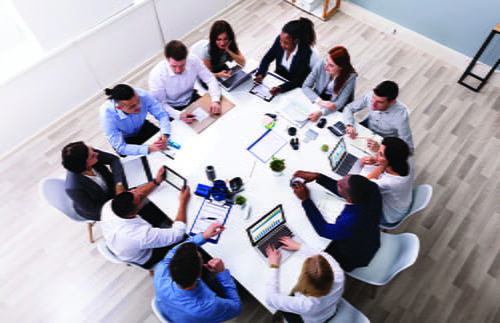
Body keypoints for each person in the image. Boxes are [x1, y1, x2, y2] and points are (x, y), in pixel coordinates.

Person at [100, 167, 189, 269]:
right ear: (134, 213)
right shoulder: (139, 236)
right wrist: (183, 201)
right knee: (187, 236)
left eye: (134, 192)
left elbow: (137, 193)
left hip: (124, 243)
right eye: (141, 198)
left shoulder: (108, 206)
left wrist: (156, 181)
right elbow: (178, 234)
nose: (141, 193)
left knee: (156, 208)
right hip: (147, 255)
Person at [292, 172, 382, 272]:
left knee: (311, 251)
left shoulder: (351, 223)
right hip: (372, 237)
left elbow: (323, 230)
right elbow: (347, 192)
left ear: (349, 200)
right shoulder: (372, 188)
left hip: (355, 256)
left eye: (339, 185)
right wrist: (319, 177)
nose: (337, 182)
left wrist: (306, 200)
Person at [153, 223, 242, 323]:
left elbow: (175, 251)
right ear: (199, 274)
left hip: (174, 310)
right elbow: (237, 307)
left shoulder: (161, 272)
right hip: (198, 313)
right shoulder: (208, 306)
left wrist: (204, 235)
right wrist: (222, 273)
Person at [265, 237, 345, 323]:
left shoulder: (305, 304)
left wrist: (273, 265)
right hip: (330, 311)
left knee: (284, 310)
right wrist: (299, 246)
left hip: (311, 320)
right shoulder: (339, 274)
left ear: (304, 278)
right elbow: (323, 255)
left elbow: (270, 299)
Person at [149, 40, 222, 124]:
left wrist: (215, 100)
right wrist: (179, 115)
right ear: (166, 59)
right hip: (172, 108)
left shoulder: (193, 59)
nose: (178, 70)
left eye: (182, 65)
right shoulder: (156, 75)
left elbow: (209, 79)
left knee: (215, 120)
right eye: (174, 66)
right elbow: (160, 103)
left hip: (191, 97)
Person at [100, 84, 171, 156]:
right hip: (125, 139)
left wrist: (164, 134)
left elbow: (162, 115)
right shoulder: (107, 117)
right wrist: (149, 148)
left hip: (142, 127)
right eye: (132, 106)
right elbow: (121, 148)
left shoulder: (142, 94)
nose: (138, 106)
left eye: (138, 101)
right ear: (120, 108)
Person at [343, 80, 414, 152]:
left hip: (383, 139)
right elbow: (349, 108)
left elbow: (408, 148)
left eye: (380, 102)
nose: (373, 104)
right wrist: (349, 125)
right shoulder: (371, 95)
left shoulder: (401, 117)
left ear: (392, 102)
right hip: (367, 127)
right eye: (373, 98)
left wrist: (381, 149)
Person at [62, 141, 125, 221]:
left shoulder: (88, 152)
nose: (97, 154)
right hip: (102, 207)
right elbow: (93, 211)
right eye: (92, 157)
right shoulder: (73, 187)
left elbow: (114, 159)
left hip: (113, 189)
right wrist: (118, 204)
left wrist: (119, 184)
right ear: (84, 164)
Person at [255, 17, 316, 96]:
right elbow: (267, 58)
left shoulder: (305, 52)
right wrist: (261, 73)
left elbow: (299, 80)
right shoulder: (280, 40)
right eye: (281, 41)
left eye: (286, 43)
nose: (282, 45)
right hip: (278, 78)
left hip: (292, 85)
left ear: (295, 41)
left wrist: (281, 88)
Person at [361, 137, 414, 225]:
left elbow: (364, 184)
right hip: (401, 204)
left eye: (381, 154)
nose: (376, 154)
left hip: (389, 216)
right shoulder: (405, 161)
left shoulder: (389, 183)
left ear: (391, 160)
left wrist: (380, 164)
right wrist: (378, 161)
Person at [303, 46, 357, 121]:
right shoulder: (322, 63)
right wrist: (319, 101)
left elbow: (340, 103)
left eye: (331, 65)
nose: (326, 66)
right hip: (319, 97)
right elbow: (306, 86)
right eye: (327, 61)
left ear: (340, 67)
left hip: (335, 105)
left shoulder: (350, 77)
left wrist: (321, 112)